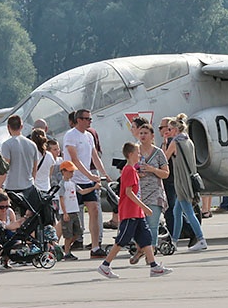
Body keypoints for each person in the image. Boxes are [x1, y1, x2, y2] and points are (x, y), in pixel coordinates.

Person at [97, 142, 173, 278]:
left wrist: (142, 209)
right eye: (137, 153)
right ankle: (105, 265)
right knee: (122, 240)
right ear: (131, 154)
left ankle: (154, 266)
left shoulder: (132, 170)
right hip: (130, 212)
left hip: (137, 213)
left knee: (146, 238)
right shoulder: (129, 170)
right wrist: (144, 207)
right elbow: (129, 192)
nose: (140, 155)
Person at [64, 109, 109, 258]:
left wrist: (103, 173)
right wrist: (88, 174)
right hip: (73, 180)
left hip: (87, 181)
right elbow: (74, 159)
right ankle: (56, 246)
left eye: (90, 119)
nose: (89, 121)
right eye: (87, 119)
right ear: (79, 120)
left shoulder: (89, 136)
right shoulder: (70, 136)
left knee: (94, 210)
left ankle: (95, 247)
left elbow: (94, 156)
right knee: (70, 215)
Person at [165, 114, 208, 252]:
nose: (168, 132)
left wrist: (165, 142)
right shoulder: (188, 141)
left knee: (188, 212)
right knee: (177, 212)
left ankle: (201, 239)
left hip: (182, 181)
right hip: (189, 179)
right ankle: (174, 241)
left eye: (170, 129)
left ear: (176, 130)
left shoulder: (175, 142)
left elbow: (164, 158)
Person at [132, 123, 169, 254]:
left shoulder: (158, 153)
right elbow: (128, 169)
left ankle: (151, 251)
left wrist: (153, 170)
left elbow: (166, 173)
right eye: (141, 133)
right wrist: (136, 173)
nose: (143, 136)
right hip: (138, 193)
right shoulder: (135, 151)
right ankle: (140, 249)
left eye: (146, 133)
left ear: (152, 136)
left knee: (152, 223)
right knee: (139, 224)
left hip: (155, 192)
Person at [57, 161, 85, 260]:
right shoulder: (62, 184)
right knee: (68, 234)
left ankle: (67, 247)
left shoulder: (73, 183)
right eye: (69, 171)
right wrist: (64, 212)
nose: (71, 174)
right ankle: (67, 252)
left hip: (74, 210)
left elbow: (81, 191)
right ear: (63, 171)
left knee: (78, 232)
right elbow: (61, 198)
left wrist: (93, 187)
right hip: (67, 212)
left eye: (72, 172)